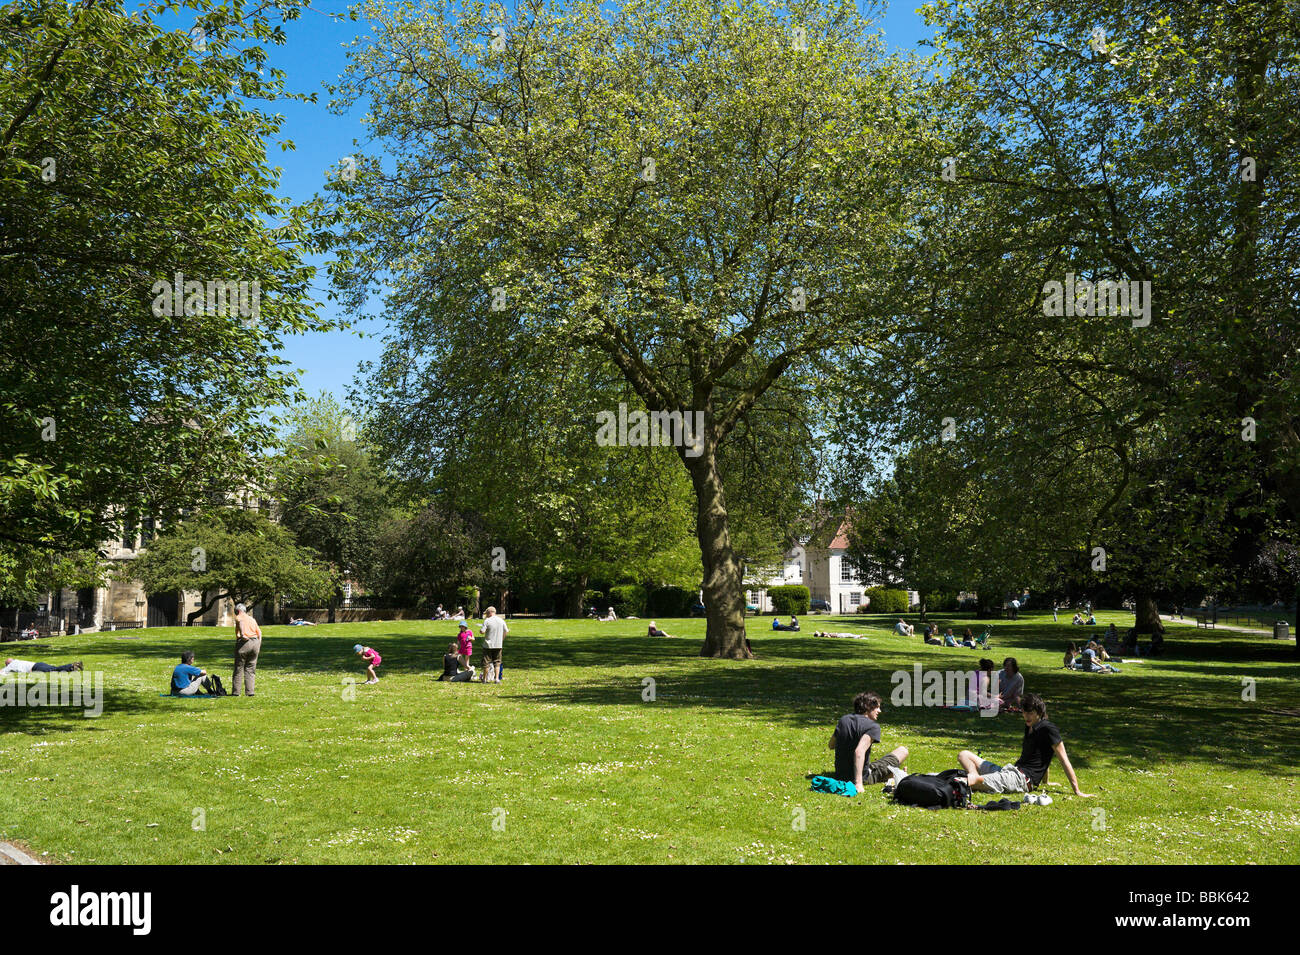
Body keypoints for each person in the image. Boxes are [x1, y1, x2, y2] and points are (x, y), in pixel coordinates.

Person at [957, 693, 1092, 797]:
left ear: (1039, 713)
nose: (1026, 716)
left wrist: (1077, 790)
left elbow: (1063, 759)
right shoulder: (1030, 726)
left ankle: (971, 781)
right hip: (1009, 771)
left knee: (975, 781)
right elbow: (1044, 755)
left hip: (1022, 780)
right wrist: (1046, 782)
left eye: (1030, 713)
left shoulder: (1049, 729)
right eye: (1024, 712)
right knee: (964, 755)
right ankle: (974, 779)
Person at [829, 691, 909, 793]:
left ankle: (893, 774)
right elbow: (859, 752)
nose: (879, 711)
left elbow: (831, 745)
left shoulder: (843, 720)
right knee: (903, 750)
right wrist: (858, 783)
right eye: (877, 707)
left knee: (876, 766)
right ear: (868, 707)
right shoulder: (872, 726)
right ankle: (896, 774)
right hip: (862, 776)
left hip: (840, 775)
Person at [232, 602, 262, 697]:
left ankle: (236, 692)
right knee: (250, 668)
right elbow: (259, 632)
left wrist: (243, 634)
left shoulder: (239, 616)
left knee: (239, 668)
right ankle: (250, 692)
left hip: (245, 643)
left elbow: (240, 622)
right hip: (255, 643)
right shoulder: (252, 619)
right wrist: (259, 644)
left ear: (239, 611)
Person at [480, 606, 508, 683]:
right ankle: (496, 679)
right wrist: (502, 639)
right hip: (498, 644)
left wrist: (481, 630)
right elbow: (506, 631)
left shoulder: (487, 621)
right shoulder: (501, 620)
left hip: (488, 645)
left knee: (486, 663)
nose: (486, 615)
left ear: (489, 613)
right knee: (497, 662)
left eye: (486, 613)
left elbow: (482, 631)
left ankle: (484, 679)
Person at [2, 657, 82, 675]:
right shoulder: (17, 661)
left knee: (55, 669)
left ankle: (73, 665)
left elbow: (2, 672)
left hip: (36, 667)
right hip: (38, 664)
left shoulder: (11, 665)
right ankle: (73, 668)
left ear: (8, 664)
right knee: (55, 668)